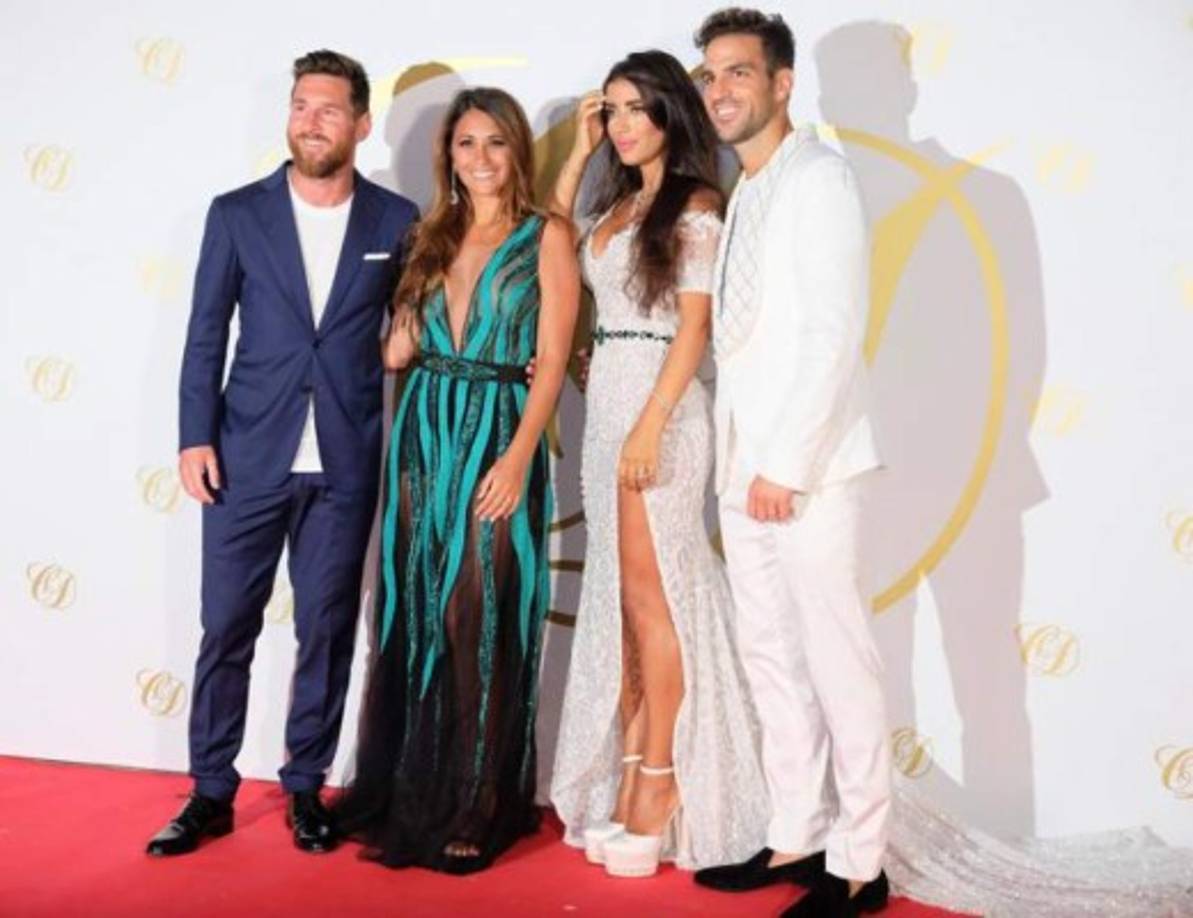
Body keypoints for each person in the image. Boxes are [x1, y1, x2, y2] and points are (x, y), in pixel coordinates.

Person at [146, 50, 419, 857]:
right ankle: (209, 791)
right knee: (225, 625)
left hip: (344, 460)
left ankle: (305, 786)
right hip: (242, 456)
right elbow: (204, 335)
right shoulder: (236, 213)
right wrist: (195, 436)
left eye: (330, 108)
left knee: (327, 629)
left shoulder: (396, 220)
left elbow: (411, 331)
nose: (311, 120)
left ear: (361, 124)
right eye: (302, 105)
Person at [333, 86, 579, 875]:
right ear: (449, 156)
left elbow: (551, 363)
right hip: (423, 431)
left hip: (501, 430)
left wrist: (518, 458)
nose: (478, 159)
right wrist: (406, 295)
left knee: (480, 613)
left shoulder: (547, 237)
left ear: (516, 151)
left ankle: (478, 801)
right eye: (464, 145)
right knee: (419, 610)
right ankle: (406, 791)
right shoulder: (429, 234)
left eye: (493, 144)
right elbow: (396, 354)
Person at [688, 10, 892, 916]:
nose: (719, 91)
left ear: (781, 84)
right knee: (769, 658)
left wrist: (787, 466)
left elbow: (833, 336)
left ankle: (861, 864)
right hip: (744, 472)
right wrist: (744, 469)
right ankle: (794, 834)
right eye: (709, 76)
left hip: (803, 475)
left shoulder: (820, 178)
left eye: (737, 73)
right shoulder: (745, 190)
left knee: (838, 659)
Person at [548, 50, 769, 878]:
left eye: (637, 107)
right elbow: (552, 237)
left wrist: (649, 424)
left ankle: (662, 784)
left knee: (657, 604)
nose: (621, 124)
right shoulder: (616, 201)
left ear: (671, 112)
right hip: (609, 409)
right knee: (628, 609)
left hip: (659, 418)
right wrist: (574, 152)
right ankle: (640, 771)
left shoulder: (695, 204)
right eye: (610, 110)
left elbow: (693, 327)